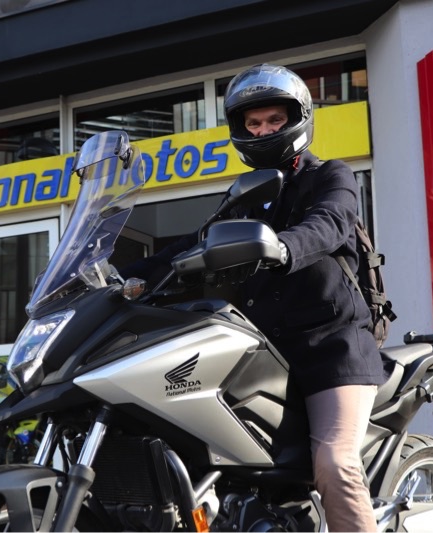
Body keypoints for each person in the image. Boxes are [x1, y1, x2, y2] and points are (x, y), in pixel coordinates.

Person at [122, 64, 387, 532]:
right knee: (220, 459)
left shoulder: (330, 175)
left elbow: (330, 223)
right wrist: (122, 275)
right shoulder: (246, 196)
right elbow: (194, 243)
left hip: (333, 349)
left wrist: (284, 247)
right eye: (253, 123)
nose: (263, 130)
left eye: (273, 121)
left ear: (297, 119)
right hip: (264, 354)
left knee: (334, 461)